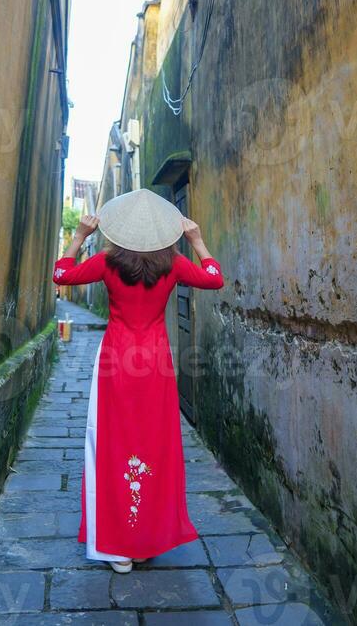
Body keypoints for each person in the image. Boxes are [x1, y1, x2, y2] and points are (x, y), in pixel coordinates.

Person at [52, 187, 224, 573]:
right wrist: (197, 240)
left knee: (113, 444)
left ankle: (119, 546)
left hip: (116, 361)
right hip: (156, 364)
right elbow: (215, 279)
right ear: (164, 231)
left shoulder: (107, 263)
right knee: (155, 446)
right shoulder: (175, 264)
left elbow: (61, 274)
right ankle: (145, 540)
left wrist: (79, 236)